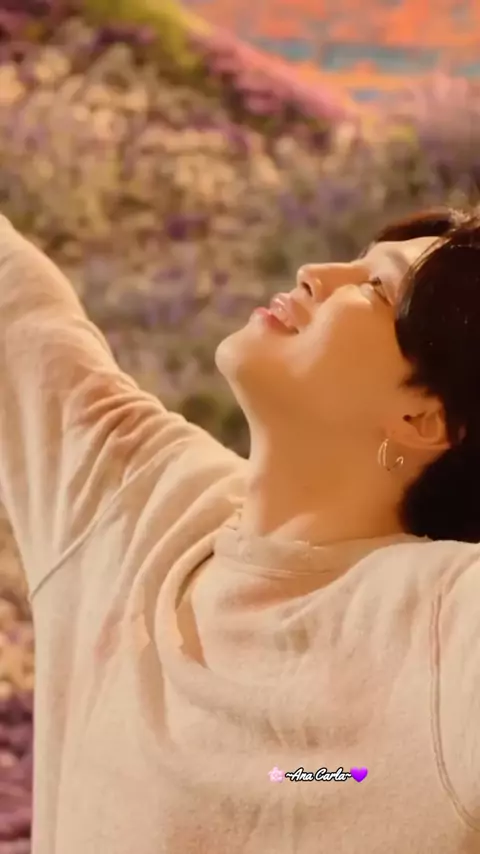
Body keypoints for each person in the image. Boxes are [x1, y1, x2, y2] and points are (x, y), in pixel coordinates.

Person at [0, 206, 479, 854]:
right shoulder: (137, 502)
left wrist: (321, 778)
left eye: (375, 288)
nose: (315, 273)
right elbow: (21, 310)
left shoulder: (445, 627)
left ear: (424, 420)